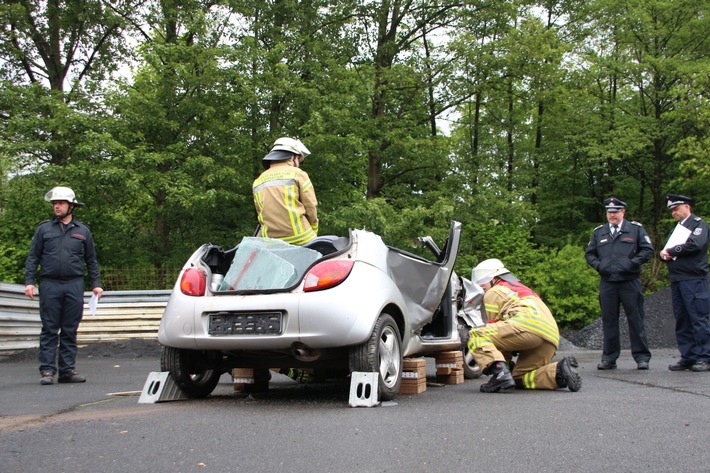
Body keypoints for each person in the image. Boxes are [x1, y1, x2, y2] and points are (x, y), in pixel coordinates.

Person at [24, 187, 103, 385]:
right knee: (50, 328)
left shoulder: (83, 231)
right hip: (50, 284)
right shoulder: (44, 229)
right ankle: (48, 371)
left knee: (70, 329)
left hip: (74, 284)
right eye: (54, 203)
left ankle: (67, 371)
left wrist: (96, 284)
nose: (56, 206)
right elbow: (33, 257)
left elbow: (91, 260)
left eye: (60, 203)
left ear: (71, 206)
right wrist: (29, 282)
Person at [467, 259, 581, 393]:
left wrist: (502, 368)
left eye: (483, 282)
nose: (481, 286)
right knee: (519, 378)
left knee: (477, 335)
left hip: (527, 327)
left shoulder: (494, 292)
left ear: (495, 278)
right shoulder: (523, 290)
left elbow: (496, 333)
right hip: (550, 336)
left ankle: (500, 374)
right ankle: (558, 372)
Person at [585, 197, 654, 370]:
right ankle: (609, 357)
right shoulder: (599, 232)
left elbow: (647, 250)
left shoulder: (635, 230)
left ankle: (641, 357)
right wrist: (599, 266)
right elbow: (590, 254)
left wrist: (631, 263)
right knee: (608, 321)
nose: (612, 215)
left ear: (623, 212)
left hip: (630, 282)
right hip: (608, 283)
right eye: (609, 212)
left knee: (636, 319)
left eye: (615, 212)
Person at [659, 194, 710, 372]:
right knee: (682, 319)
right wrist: (664, 255)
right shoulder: (676, 229)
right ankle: (688, 356)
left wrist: (671, 250)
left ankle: (705, 357)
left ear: (686, 207)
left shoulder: (698, 224)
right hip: (677, 279)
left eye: (676, 209)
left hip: (694, 279)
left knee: (698, 318)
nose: (674, 213)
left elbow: (696, 245)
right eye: (672, 210)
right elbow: (669, 249)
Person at [252, 137, 318, 246]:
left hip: (271, 243)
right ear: (293, 157)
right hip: (301, 238)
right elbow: (310, 206)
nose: (298, 164)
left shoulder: (258, 181)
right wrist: (314, 230)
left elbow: (261, 213)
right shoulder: (298, 174)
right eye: (298, 160)